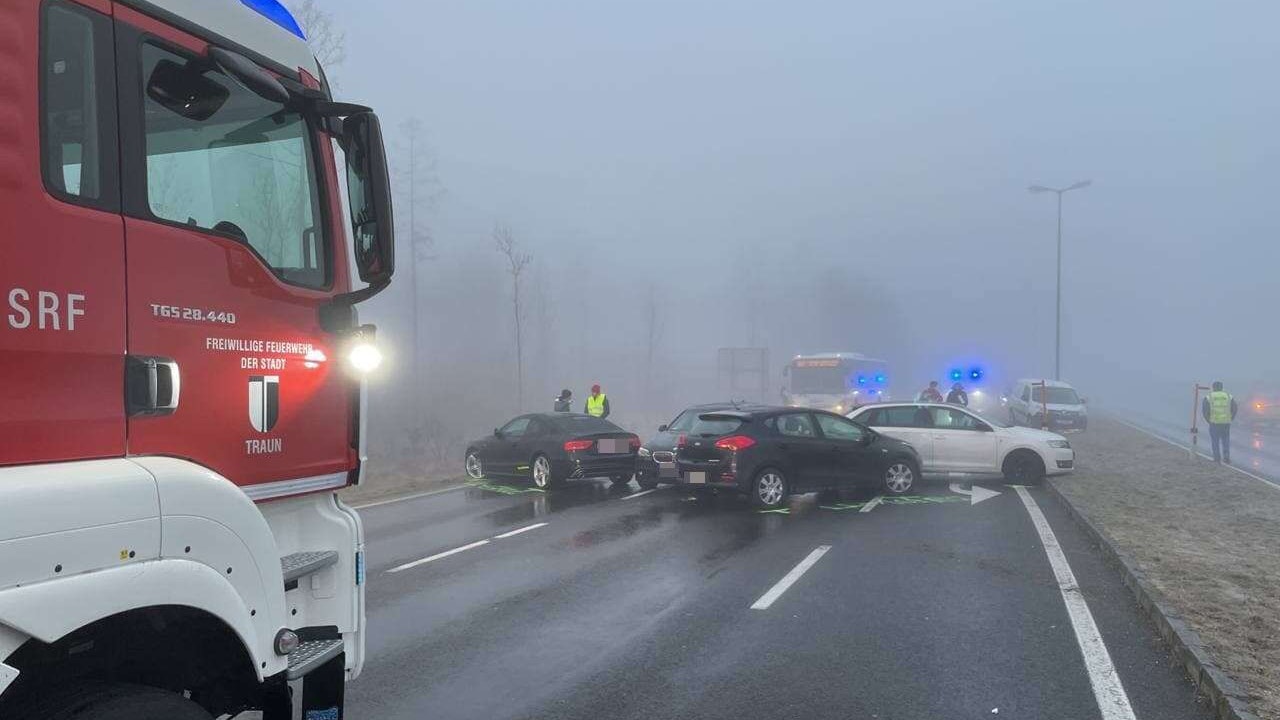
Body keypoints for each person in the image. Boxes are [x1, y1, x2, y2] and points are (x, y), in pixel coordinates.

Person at [1201, 381, 1238, 464]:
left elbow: (1205, 411)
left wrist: (1209, 420)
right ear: (1222, 387)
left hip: (1214, 423)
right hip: (1226, 423)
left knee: (1215, 441)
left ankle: (1217, 459)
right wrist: (1231, 418)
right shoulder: (1228, 396)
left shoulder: (1209, 397)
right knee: (1225, 440)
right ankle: (1226, 457)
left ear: (1213, 387)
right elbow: (1235, 408)